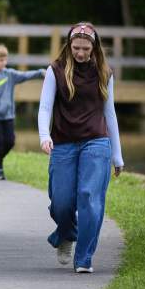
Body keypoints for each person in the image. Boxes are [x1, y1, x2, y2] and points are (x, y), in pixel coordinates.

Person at [38, 22, 124, 274]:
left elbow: (110, 115)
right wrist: (45, 135)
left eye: (86, 48)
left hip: (96, 142)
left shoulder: (105, 73)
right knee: (61, 203)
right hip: (63, 142)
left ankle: (84, 258)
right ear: (69, 45)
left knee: (90, 198)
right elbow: (44, 107)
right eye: (76, 48)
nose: (81, 53)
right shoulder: (55, 70)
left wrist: (117, 155)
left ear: (94, 47)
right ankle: (65, 233)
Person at [0, 42, 45, 180]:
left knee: (10, 141)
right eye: (1, 60)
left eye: (5, 59)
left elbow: (25, 75)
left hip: (9, 115)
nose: (4, 62)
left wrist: (40, 72)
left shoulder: (10, 74)